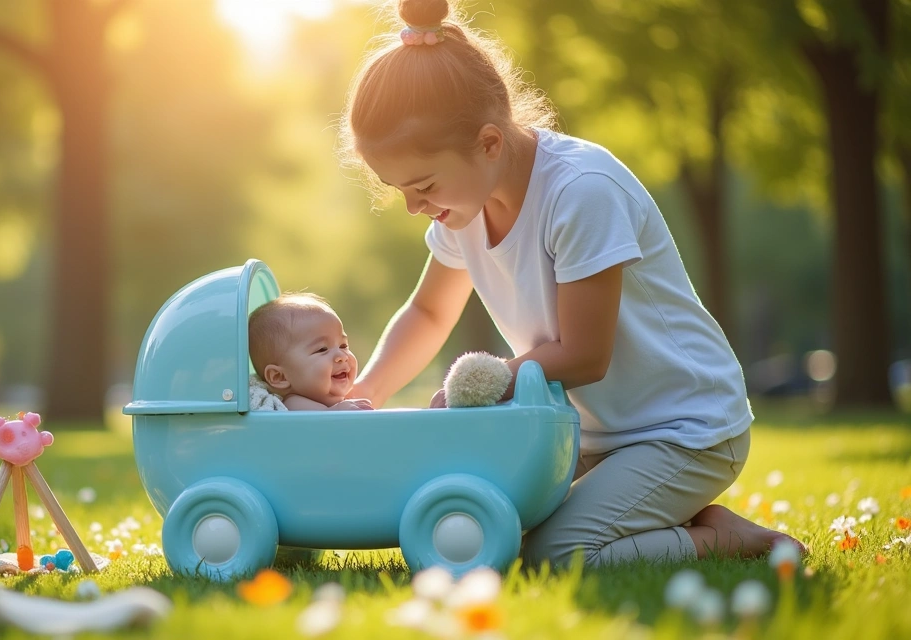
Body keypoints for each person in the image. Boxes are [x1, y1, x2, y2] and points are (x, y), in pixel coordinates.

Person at [341, 0, 805, 567]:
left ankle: (735, 540)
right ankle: (685, 515)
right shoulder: (462, 207)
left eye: (424, 185)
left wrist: (487, 381)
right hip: (587, 436)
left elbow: (586, 356)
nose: (414, 206)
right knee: (493, 526)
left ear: (489, 143)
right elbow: (429, 313)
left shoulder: (580, 192)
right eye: (400, 191)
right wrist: (364, 393)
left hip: (684, 428)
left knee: (555, 555)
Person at [248, 293, 374, 411]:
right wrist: (337, 412)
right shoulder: (294, 404)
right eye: (322, 349)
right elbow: (319, 425)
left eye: (343, 345)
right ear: (279, 377)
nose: (342, 356)